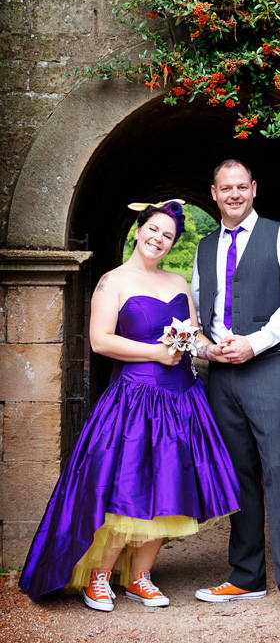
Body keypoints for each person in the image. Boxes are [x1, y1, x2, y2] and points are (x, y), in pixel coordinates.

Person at [19, 200, 240, 612]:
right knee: (127, 488)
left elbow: (193, 340)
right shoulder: (112, 282)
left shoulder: (177, 283)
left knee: (171, 487)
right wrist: (155, 353)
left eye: (168, 236)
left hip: (181, 399)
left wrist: (217, 350)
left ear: (173, 244)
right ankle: (99, 579)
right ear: (140, 231)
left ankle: (141, 577)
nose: (159, 239)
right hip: (135, 400)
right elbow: (101, 341)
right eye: (153, 230)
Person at [191, 160, 280, 623]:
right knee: (238, 472)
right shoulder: (204, 247)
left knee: (279, 469)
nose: (234, 194)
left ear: (254, 189)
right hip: (221, 375)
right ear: (214, 192)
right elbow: (201, 310)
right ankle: (245, 576)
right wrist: (207, 349)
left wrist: (255, 342)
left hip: (268, 366)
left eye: (242, 187)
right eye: (226, 188)